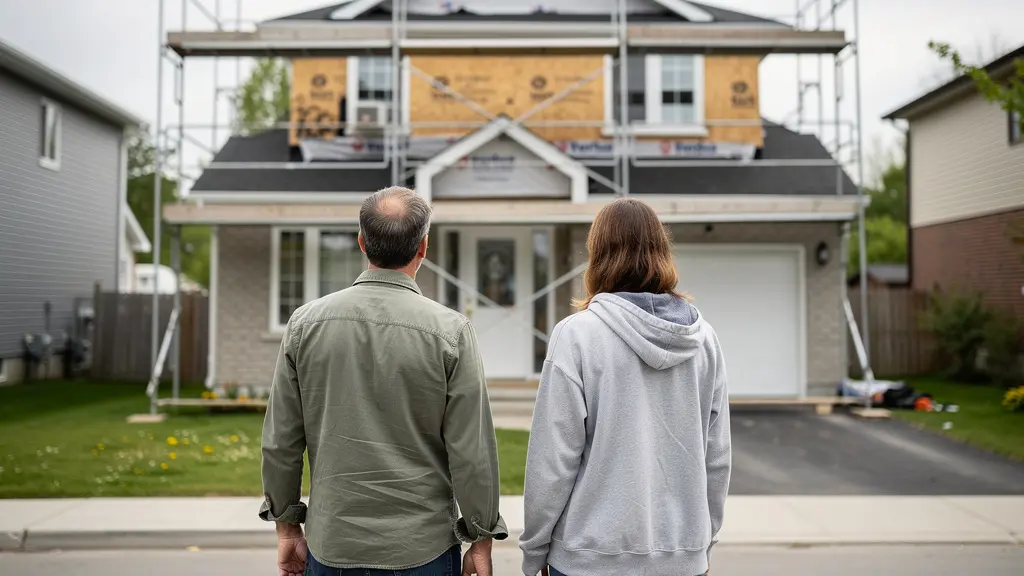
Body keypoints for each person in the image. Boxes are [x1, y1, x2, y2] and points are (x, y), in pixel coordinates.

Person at [261, 186, 507, 576]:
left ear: (362, 242)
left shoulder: (305, 325)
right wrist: (481, 537)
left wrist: (287, 527)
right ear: (423, 247)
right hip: (422, 548)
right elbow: (471, 451)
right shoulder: (451, 331)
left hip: (332, 545)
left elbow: (280, 442)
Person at [519, 197, 732, 576]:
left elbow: (552, 461)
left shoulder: (577, 335)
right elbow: (716, 458)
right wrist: (702, 543)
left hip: (588, 560)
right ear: (662, 251)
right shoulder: (705, 340)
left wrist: (534, 551)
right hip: (682, 558)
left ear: (597, 254)